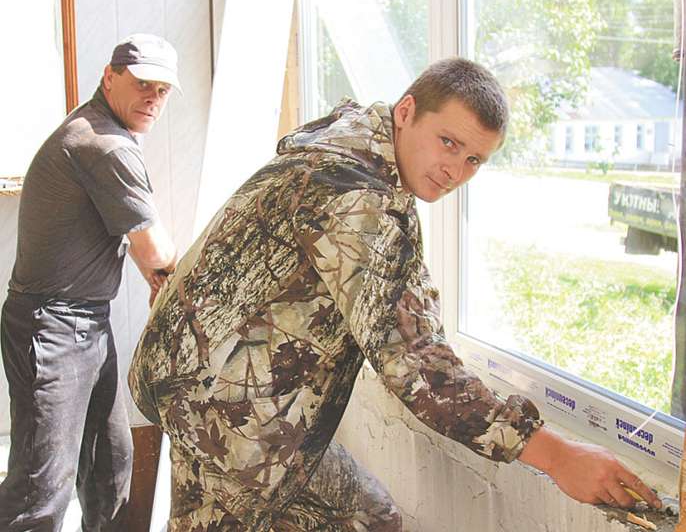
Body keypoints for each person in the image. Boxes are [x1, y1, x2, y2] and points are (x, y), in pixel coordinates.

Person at [128, 57, 661, 532]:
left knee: (368, 518)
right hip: (226, 407)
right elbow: (417, 367)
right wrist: (556, 454)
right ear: (407, 111)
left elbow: (395, 288)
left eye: (475, 159)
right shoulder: (357, 196)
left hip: (203, 379)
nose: (455, 170)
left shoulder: (358, 137)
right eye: (448, 142)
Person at [0, 33, 180, 532]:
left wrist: (155, 271)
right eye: (143, 84)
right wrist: (166, 271)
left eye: (163, 91)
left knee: (110, 467)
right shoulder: (104, 144)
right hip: (54, 328)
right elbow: (156, 251)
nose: (153, 98)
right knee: (40, 488)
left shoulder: (99, 130)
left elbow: (135, 244)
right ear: (110, 76)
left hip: (82, 323)